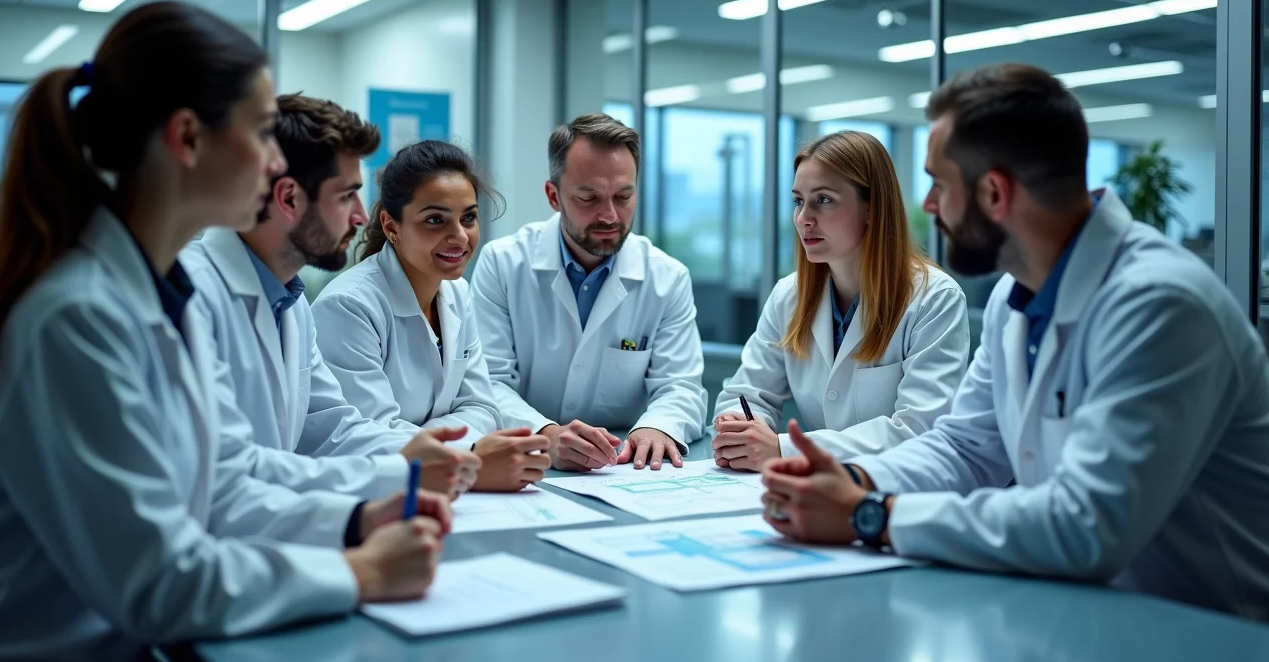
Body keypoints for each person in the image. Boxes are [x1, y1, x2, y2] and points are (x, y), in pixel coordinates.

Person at [0, 2, 450, 662]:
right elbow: (157, 581)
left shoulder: (158, 291)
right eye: (262, 133)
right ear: (188, 138)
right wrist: (362, 574)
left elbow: (227, 481)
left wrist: (357, 523)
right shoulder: (73, 316)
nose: (273, 165)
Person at [759, 63, 1269, 619]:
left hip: (1209, 632)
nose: (928, 206)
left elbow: (1087, 525)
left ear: (995, 192)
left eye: (939, 184)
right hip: (1086, 614)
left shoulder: (1159, 304)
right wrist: (850, 480)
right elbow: (965, 448)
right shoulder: (1015, 298)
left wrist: (870, 514)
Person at [181, 94, 480, 501]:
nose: (361, 217)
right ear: (288, 199)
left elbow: (335, 429)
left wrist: (435, 465)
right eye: (346, 196)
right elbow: (227, 475)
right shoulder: (191, 297)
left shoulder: (291, 303)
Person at [711, 131, 969, 471]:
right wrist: (738, 427)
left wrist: (783, 449)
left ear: (871, 208)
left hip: (895, 495)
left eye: (824, 200)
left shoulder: (934, 299)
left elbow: (920, 431)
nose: (804, 218)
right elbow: (746, 394)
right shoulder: (789, 296)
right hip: (818, 492)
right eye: (799, 201)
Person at [470, 113, 707, 472]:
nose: (610, 215)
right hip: (531, 465)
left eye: (623, 196)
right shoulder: (503, 264)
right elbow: (487, 382)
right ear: (554, 196)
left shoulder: (667, 278)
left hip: (626, 469)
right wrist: (546, 435)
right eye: (588, 197)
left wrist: (656, 426)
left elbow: (681, 386)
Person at [312, 141, 551, 492]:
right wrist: (471, 456)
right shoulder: (349, 306)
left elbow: (483, 409)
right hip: (373, 495)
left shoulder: (456, 292)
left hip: (434, 484)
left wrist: (447, 450)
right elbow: (367, 437)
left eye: (468, 217)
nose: (459, 236)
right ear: (391, 227)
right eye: (435, 220)